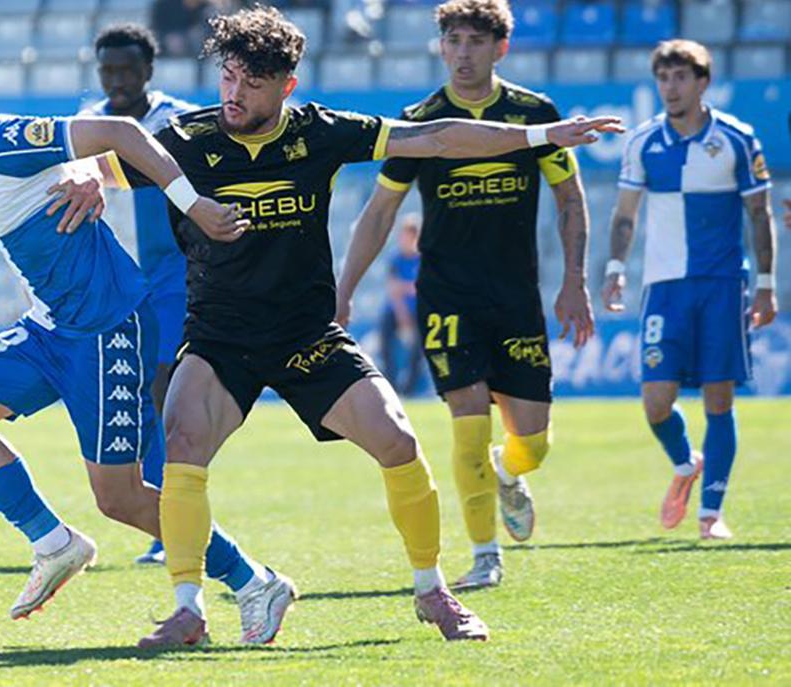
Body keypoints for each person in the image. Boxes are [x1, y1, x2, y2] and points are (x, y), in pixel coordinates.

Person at [101, 5, 618, 647]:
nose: (234, 94)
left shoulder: (319, 132)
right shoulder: (184, 139)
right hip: (219, 339)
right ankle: (188, 609)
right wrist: (76, 180)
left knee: (398, 442)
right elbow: (100, 166)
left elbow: (435, 138)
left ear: (286, 86)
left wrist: (541, 137)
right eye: (228, 77)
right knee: (181, 445)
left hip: (305, 336)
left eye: (251, 83)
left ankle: (434, 593)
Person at [0, 46, 294, 646]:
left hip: (106, 331)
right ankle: (54, 544)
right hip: (52, 328)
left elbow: (121, 132)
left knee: (122, 498)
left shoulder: (0, 140)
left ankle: (256, 581)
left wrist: (192, 203)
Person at [336, 0, 594, 592]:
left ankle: (509, 471)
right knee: (468, 423)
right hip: (447, 295)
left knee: (531, 441)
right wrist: (344, 291)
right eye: (452, 40)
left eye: (475, 41)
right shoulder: (421, 122)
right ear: (441, 46)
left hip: (516, 295)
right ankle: (484, 555)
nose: (462, 52)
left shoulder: (534, 115)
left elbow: (570, 198)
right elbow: (379, 213)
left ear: (500, 48)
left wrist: (574, 279)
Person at [602, 40, 778, 540]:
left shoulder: (737, 139)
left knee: (718, 400)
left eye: (680, 78)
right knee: (656, 402)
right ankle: (685, 463)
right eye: (663, 78)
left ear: (702, 83)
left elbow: (758, 214)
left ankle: (710, 514)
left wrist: (765, 284)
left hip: (723, 284)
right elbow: (625, 214)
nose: (670, 88)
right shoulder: (643, 143)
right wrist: (616, 266)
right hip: (665, 287)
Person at [82, 23, 198, 566]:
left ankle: (169, 519)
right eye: (109, 70)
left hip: (171, 273)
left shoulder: (175, 120)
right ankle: (166, 511)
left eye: (128, 70)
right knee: (137, 394)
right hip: (116, 278)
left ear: (148, 71)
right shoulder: (88, 125)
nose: (119, 80)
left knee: (161, 385)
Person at [380, 213, 424, 396]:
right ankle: (390, 385)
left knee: (419, 349)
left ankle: (410, 389)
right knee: (385, 340)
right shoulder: (396, 259)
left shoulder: (423, 259)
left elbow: (421, 287)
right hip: (397, 310)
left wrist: (404, 287)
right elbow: (393, 290)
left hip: (419, 310)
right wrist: (402, 314)